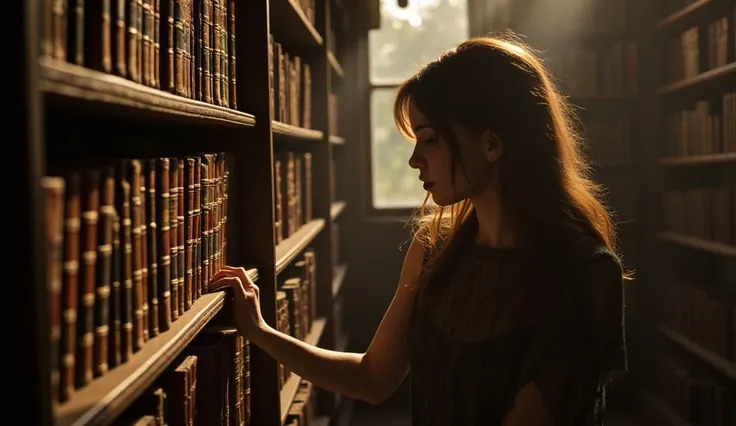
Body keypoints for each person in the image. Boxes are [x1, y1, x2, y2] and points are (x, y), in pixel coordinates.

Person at [210, 33, 628, 426]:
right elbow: (373, 378)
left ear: (491, 144)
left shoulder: (584, 273)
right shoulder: (434, 248)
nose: (414, 160)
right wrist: (261, 333)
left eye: (429, 139)